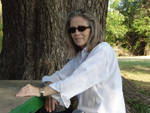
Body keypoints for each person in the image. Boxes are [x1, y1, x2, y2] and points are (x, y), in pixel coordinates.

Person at [16, 9, 126, 113]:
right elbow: (58, 76)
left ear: (92, 29)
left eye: (81, 28)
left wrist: (42, 91)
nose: (76, 33)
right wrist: (49, 92)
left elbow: (80, 79)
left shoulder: (103, 50)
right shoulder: (82, 56)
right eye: (72, 30)